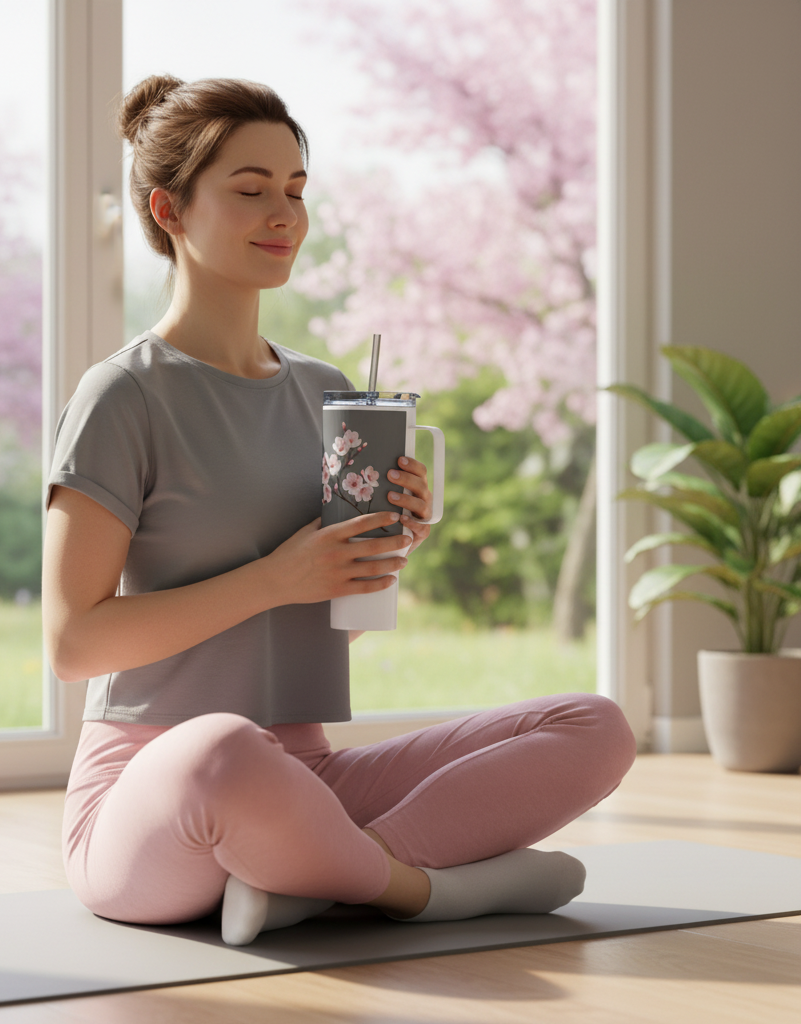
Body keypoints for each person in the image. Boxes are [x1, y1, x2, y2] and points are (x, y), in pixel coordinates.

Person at [42, 75, 637, 947]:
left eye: (295, 190)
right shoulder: (121, 396)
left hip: (303, 779)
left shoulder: (327, 393)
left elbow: (317, 629)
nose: (283, 214)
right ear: (169, 210)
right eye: (250, 191)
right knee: (223, 747)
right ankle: (418, 890)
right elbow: (72, 645)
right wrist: (274, 577)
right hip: (161, 786)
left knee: (595, 726)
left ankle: (312, 877)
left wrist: (380, 558)